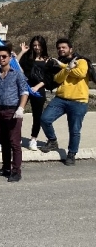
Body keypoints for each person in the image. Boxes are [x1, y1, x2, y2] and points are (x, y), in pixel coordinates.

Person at [40, 38, 90, 166]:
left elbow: (81, 73)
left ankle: (71, 154)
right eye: (59, 48)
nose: (61, 49)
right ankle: (52, 141)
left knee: (74, 130)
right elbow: (57, 78)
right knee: (45, 119)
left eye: (64, 47)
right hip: (61, 99)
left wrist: (64, 66)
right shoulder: (58, 63)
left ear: (70, 49)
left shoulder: (82, 61)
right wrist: (67, 68)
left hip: (79, 101)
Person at [0, 44, 29, 182]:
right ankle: (6, 168)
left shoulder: (17, 74)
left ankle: (16, 171)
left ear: (10, 57)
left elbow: (24, 92)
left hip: (12, 111)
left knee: (14, 142)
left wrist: (21, 108)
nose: (1, 59)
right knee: (3, 141)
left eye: (4, 56)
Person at [18, 36, 50, 151]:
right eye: (34, 45)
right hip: (25, 88)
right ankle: (17, 136)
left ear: (43, 46)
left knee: (37, 116)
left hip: (38, 89)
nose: (37, 48)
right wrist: (22, 52)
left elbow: (48, 78)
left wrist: (37, 87)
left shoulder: (47, 59)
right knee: (18, 112)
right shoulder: (27, 57)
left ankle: (33, 139)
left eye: (39, 45)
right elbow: (16, 64)